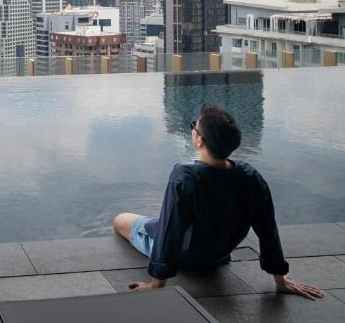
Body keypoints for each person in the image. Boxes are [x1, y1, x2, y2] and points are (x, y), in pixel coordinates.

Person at [113, 103, 323, 300]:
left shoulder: (185, 177)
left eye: (194, 127)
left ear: (199, 141)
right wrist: (280, 277)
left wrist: (156, 284)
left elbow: (170, 230)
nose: (193, 129)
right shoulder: (251, 177)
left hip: (185, 257)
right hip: (218, 255)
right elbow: (267, 229)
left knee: (121, 220)